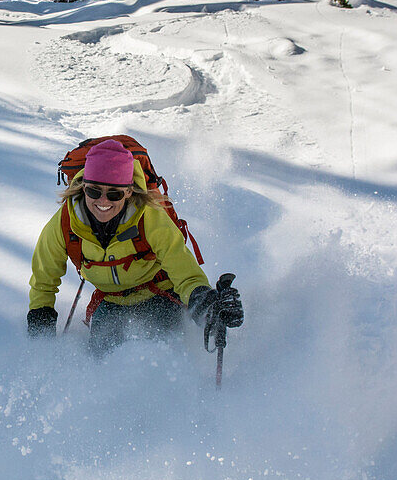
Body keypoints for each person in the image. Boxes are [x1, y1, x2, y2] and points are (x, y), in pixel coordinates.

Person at [27, 139, 243, 354]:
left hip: (160, 296)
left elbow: (183, 270)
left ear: (129, 192)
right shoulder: (66, 222)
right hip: (111, 303)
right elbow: (43, 278)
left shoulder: (150, 218)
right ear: (83, 187)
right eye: (94, 191)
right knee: (100, 358)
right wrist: (40, 323)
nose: (103, 201)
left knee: (167, 353)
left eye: (114, 193)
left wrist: (205, 304)